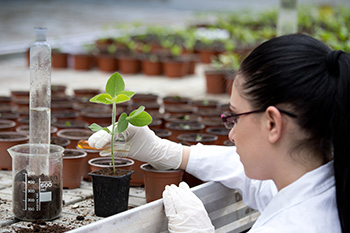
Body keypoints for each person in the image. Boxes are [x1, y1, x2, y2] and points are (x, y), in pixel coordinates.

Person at [88, 33, 350, 233]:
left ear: (272, 124)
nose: (232, 135)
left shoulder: (295, 226)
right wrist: (173, 152)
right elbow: (256, 180)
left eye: (234, 117)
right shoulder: (326, 181)